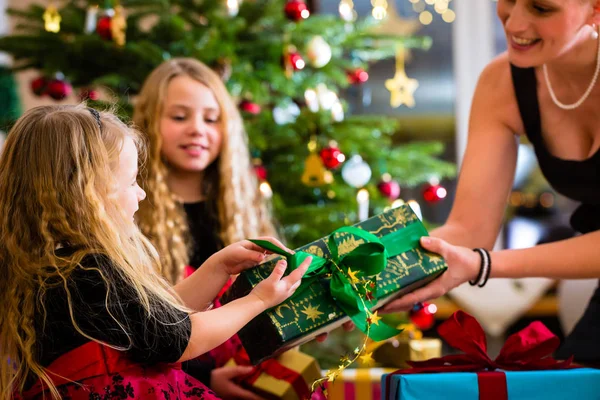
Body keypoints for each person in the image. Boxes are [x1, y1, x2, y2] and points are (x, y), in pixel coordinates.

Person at [0, 104, 310, 399]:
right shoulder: (90, 272)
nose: (141, 193)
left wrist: (217, 268)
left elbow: (152, 322)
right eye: (131, 183)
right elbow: (180, 339)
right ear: (87, 193)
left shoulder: (55, 267)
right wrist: (257, 300)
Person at [384, 0, 600, 366]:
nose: (514, 22)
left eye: (541, 8)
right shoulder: (502, 82)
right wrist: (366, 267)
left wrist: (483, 265)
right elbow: (469, 229)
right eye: (509, 0)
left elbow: (476, 255)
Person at [132, 58, 278, 398]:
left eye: (211, 119)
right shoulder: (131, 209)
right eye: (179, 116)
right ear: (150, 122)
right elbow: (134, 330)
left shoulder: (244, 206)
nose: (197, 129)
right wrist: (205, 379)